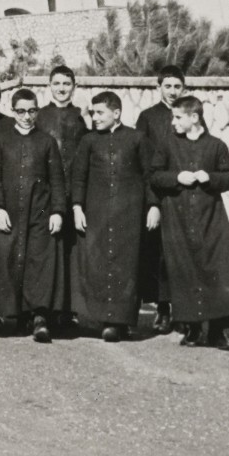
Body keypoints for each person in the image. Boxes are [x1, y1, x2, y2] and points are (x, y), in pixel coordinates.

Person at [150, 96, 229, 349]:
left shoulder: (216, 146)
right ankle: (193, 329)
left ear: (194, 118)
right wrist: (177, 177)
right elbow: (154, 176)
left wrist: (210, 177)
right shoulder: (167, 144)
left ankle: (218, 331)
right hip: (177, 218)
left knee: (217, 271)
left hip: (210, 219)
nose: (173, 122)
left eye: (177, 117)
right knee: (185, 272)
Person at [71, 92, 160, 342]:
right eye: (92, 113)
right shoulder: (88, 141)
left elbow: (149, 176)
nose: (95, 117)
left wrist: (153, 206)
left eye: (100, 113)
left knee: (126, 266)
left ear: (116, 113)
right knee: (98, 263)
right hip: (96, 213)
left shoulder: (137, 139)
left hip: (129, 215)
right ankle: (101, 318)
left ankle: (118, 322)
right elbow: (78, 177)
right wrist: (77, 207)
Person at [0, 88, 67, 342]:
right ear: (13, 111)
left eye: (31, 111)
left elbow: (57, 180)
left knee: (39, 264)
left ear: (37, 112)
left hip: (39, 213)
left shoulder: (47, 142)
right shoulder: (1, 140)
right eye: (21, 111)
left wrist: (57, 211)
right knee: (8, 261)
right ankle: (12, 315)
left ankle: (39, 317)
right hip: (9, 212)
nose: (26, 116)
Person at [133, 65, 186, 336]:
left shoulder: (190, 116)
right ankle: (163, 308)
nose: (173, 91)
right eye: (168, 86)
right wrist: (151, 202)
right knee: (158, 254)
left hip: (183, 195)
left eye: (178, 86)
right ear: (159, 87)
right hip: (157, 196)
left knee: (182, 253)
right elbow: (141, 163)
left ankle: (185, 310)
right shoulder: (148, 118)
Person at [35, 65, 88, 331]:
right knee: (47, 251)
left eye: (67, 83)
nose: (62, 88)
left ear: (74, 87)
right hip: (47, 194)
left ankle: (69, 310)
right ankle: (45, 308)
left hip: (72, 193)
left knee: (71, 251)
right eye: (57, 83)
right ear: (50, 85)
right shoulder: (41, 116)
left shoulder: (80, 118)